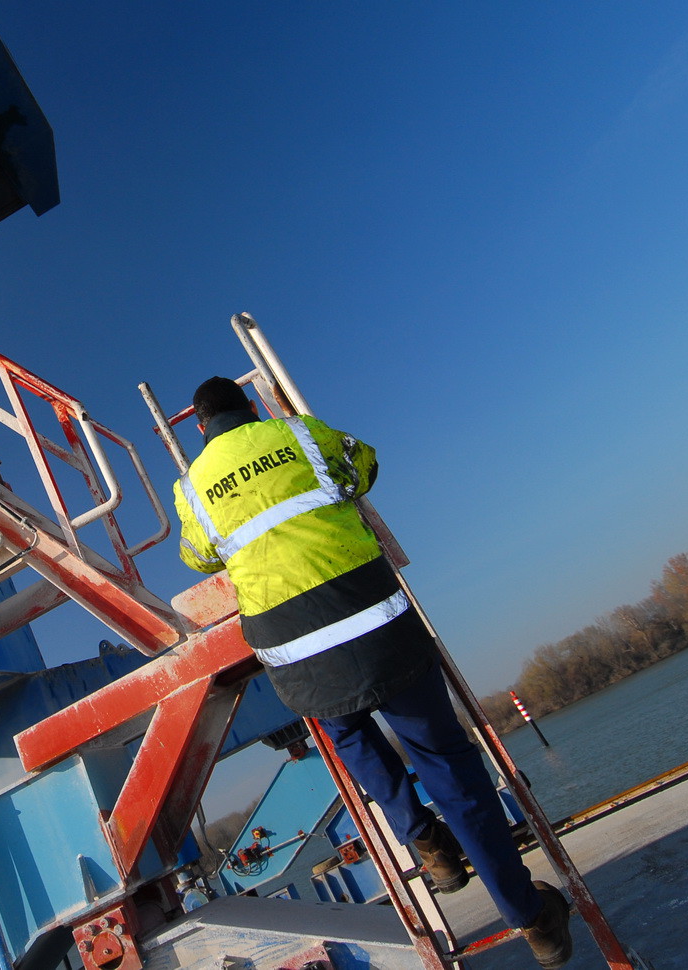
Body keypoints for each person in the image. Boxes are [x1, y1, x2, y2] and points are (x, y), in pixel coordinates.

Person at [172, 377, 573, 969]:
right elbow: (363, 467)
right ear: (252, 408)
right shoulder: (298, 434)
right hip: (373, 624)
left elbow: (199, 555)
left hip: (296, 651)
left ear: (200, 429)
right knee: (448, 765)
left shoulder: (192, 486)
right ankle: (530, 917)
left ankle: (421, 837)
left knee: (347, 735)